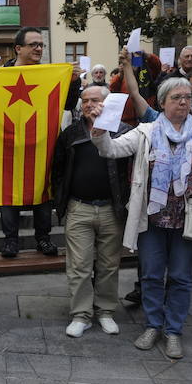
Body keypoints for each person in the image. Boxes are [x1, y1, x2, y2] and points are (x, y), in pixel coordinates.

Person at [90, 77, 192, 359]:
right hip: (151, 219)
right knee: (150, 275)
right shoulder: (146, 131)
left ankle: (173, 331)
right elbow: (110, 150)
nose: (184, 102)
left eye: (187, 97)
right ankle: (153, 325)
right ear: (161, 103)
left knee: (180, 277)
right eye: (176, 97)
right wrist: (100, 131)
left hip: (188, 218)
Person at [52, 85, 132, 338]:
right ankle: (81, 315)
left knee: (109, 265)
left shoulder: (123, 131)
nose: (88, 105)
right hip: (79, 208)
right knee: (79, 265)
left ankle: (106, 311)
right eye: (84, 100)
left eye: (94, 100)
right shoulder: (71, 133)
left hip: (112, 209)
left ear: (107, 103)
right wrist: (61, 200)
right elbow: (59, 170)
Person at [0, 27, 58, 258]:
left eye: (41, 45)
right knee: (8, 193)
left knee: (42, 194)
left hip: (40, 145)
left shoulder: (48, 73)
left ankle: (43, 239)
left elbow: (67, 102)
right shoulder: (0, 74)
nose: (39, 49)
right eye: (33, 44)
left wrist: (72, 82)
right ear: (18, 48)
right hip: (8, 145)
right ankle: (10, 241)